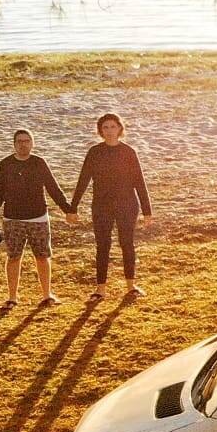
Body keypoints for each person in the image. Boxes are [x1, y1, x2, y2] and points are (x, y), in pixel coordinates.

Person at [68, 112, 153, 302]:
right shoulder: (94, 152)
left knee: (127, 243)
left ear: (120, 129)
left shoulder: (128, 152)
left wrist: (147, 211)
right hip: (101, 206)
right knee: (103, 246)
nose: (109, 131)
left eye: (113, 127)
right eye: (105, 127)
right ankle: (100, 289)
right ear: (100, 130)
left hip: (127, 205)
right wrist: (73, 208)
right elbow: (83, 181)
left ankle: (131, 286)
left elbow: (140, 182)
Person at [0, 128, 72, 310]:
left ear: (32, 143)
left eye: (26, 141)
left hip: (38, 218)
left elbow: (53, 188)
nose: (23, 144)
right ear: (14, 144)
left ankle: (47, 294)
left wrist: (68, 210)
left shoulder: (39, 163)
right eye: (19, 141)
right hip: (12, 218)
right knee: (14, 257)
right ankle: (12, 297)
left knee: (42, 256)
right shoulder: (6, 164)